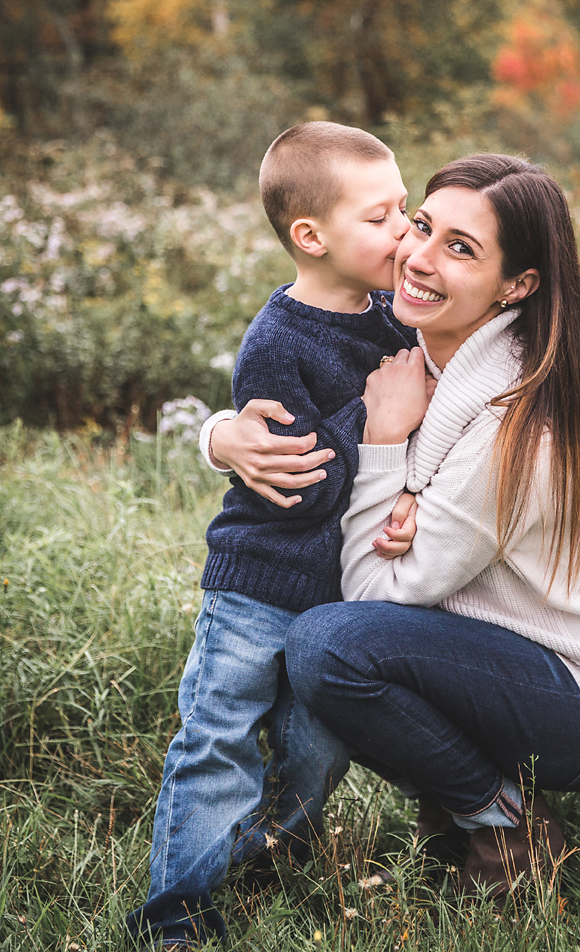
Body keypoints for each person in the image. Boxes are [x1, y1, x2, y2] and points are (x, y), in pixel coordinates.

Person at [274, 153, 580, 900]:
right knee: (317, 632)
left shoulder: (512, 427)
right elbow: (283, 358)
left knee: (329, 645)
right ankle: (451, 821)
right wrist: (220, 435)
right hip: (495, 653)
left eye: (460, 247)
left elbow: (371, 595)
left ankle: (505, 826)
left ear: (516, 287)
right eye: (422, 225)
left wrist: (385, 446)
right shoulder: (418, 339)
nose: (417, 256)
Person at [126, 121, 418, 949]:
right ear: (311, 236)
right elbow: (305, 487)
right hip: (258, 582)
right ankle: (175, 916)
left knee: (317, 752)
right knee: (217, 738)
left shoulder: (396, 320)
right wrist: (376, 416)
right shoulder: (277, 343)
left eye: (404, 206)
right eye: (381, 215)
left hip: (336, 595)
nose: (404, 228)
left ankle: (260, 855)